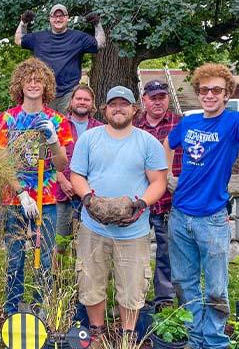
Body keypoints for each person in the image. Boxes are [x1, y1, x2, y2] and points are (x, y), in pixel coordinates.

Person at [163, 44, 239, 349]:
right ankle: (195, 338)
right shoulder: (189, 122)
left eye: (216, 90)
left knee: (216, 287)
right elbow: (168, 142)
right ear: (198, 91)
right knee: (184, 282)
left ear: (227, 91)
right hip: (180, 216)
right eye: (204, 89)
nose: (209, 95)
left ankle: (215, 342)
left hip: (213, 218)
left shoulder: (233, 123)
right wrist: (167, 175)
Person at [70, 86, 168, 344]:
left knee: (133, 286)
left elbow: (158, 181)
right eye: (113, 104)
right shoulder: (89, 139)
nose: (118, 108)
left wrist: (141, 205)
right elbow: (77, 175)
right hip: (94, 226)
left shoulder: (147, 142)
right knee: (91, 282)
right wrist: (88, 199)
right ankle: (97, 333)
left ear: (135, 109)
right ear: (104, 109)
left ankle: (127, 336)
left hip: (133, 231)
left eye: (124, 104)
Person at [0, 57, 72, 316]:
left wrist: (52, 139)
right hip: (16, 200)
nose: (34, 84)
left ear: (46, 85)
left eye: (39, 80)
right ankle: (11, 311)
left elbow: (60, 165)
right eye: (29, 80)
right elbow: (1, 161)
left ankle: (41, 311)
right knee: (15, 259)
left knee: (44, 260)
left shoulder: (57, 120)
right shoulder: (8, 119)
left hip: (45, 201)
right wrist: (21, 192)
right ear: (20, 84)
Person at [132, 79, 182, 305]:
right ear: (144, 100)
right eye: (153, 98)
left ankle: (165, 299)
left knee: (167, 253)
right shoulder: (133, 126)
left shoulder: (180, 125)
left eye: (162, 97)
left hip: (169, 202)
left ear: (168, 99)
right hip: (139, 200)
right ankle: (134, 299)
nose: (158, 102)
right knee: (134, 253)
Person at [15, 4, 106, 114]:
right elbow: (19, 40)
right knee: (44, 128)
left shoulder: (79, 38)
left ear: (67, 18)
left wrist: (97, 24)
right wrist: (23, 23)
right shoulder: (38, 38)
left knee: (68, 127)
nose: (58, 19)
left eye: (61, 16)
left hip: (69, 93)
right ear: (50, 19)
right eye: (55, 16)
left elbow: (100, 44)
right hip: (44, 93)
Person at [54, 84, 103, 253]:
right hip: (63, 192)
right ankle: (58, 277)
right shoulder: (59, 125)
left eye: (86, 99)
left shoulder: (100, 129)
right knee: (59, 242)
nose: (82, 102)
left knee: (88, 245)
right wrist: (61, 180)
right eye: (79, 98)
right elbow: (47, 157)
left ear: (92, 104)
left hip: (91, 194)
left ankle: (82, 278)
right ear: (72, 101)